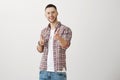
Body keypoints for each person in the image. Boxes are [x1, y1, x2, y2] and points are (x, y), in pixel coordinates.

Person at [37, 4, 72, 80]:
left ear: (57, 13)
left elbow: (66, 45)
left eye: (53, 12)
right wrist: (40, 43)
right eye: (48, 13)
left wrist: (59, 38)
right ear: (45, 15)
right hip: (44, 71)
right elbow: (40, 50)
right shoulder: (44, 31)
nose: (51, 15)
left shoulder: (66, 29)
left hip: (58, 72)